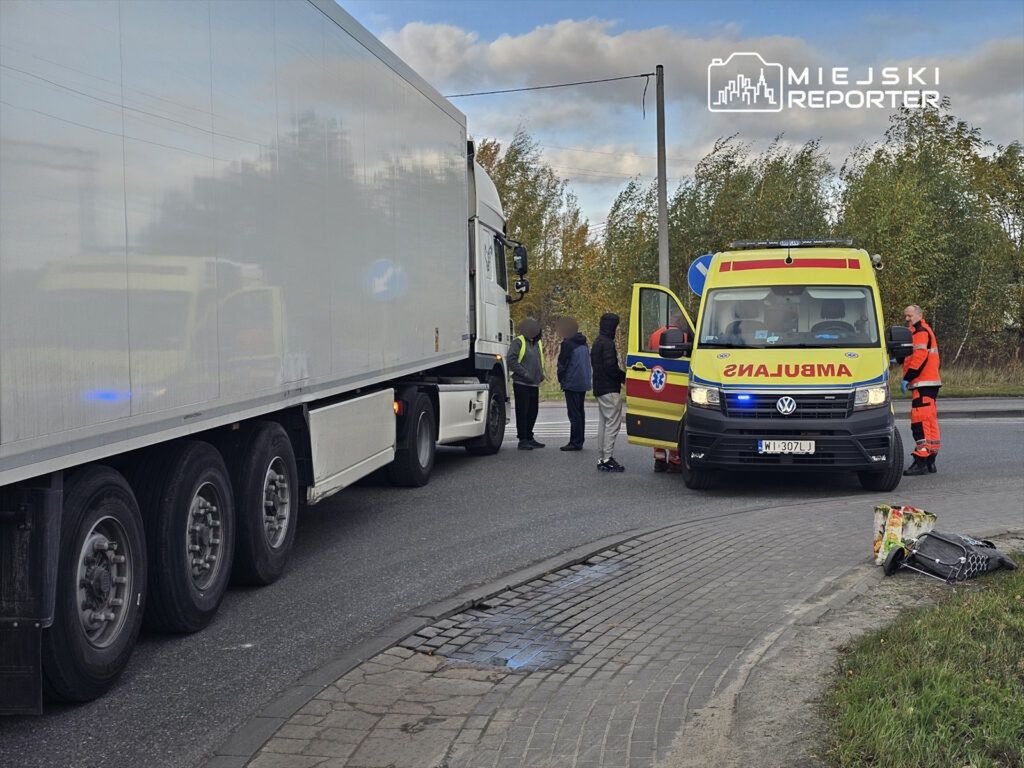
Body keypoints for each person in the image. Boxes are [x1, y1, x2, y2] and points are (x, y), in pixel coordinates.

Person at [901, 304, 942, 476]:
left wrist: (907, 377)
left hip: (922, 383)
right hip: (929, 383)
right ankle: (930, 459)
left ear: (919, 315)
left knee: (920, 422)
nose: (907, 319)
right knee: (929, 420)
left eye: (909, 316)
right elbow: (914, 354)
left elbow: (919, 357)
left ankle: (921, 460)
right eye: (906, 316)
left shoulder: (920, 331)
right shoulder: (923, 330)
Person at [647, 312, 687, 473]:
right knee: (675, 419)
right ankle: (675, 459)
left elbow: (649, 353)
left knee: (658, 419)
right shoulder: (683, 336)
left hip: (656, 380)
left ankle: (659, 459)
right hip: (674, 379)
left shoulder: (655, 334)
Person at [591, 312, 626, 472]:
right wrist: (623, 377)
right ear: (612, 326)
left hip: (599, 387)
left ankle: (601, 458)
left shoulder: (597, 342)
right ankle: (607, 458)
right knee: (613, 424)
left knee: (603, 423)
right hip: (610, 388)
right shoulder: (608, 344)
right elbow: (611, 367)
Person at [507, 317, 545, 450]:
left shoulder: (537, 343)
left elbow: (539, 360)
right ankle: (522, 439)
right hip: (522, 383)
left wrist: (541, 374)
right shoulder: (519, 341)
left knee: (533, 412)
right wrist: (525, 374)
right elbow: (511, 359)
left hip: (534, 383)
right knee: (522, 412)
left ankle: (529, 436)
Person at [556, 317, 591, 451]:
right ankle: (579, 440)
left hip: (572, 382)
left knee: (574, 414)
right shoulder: (583, 342)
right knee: (580, 412)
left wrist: (562, 380)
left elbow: (562, 365)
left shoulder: (567, 344)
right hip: (583, 381)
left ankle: (574, 442)